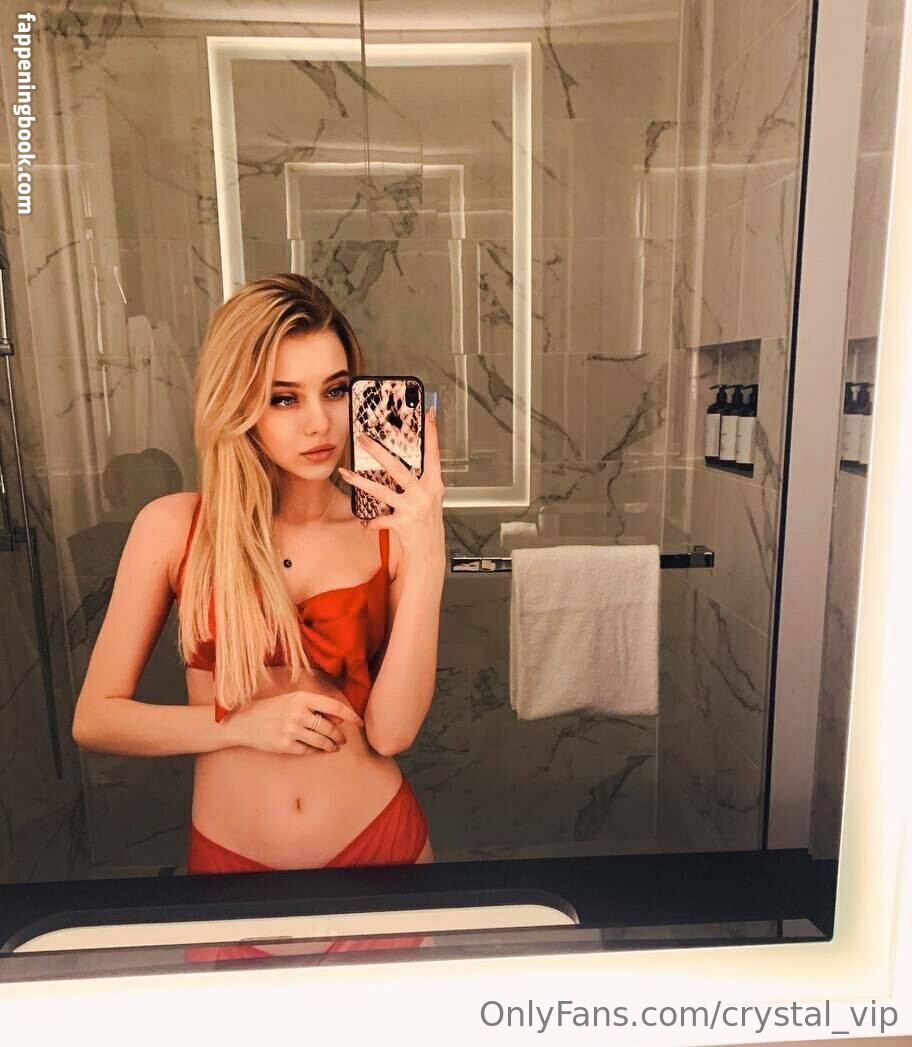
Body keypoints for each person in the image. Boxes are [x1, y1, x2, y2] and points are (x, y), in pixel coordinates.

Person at [72, 274, 446, 960]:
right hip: (232, 871)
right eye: (284, 397)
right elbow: (95, 719)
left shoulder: (387, 534)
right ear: (238, 402)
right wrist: (240, 725)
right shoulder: (175, 527)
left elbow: (392, 732)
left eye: (336, 390)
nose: (319, 423)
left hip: (382, 848)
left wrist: (428, 556)